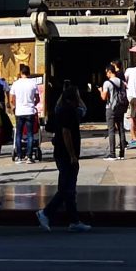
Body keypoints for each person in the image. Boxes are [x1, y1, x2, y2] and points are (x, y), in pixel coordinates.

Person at [36, 79, 91, 232]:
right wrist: (72, 155)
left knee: (69, 189)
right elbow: (66, 133)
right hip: (66, 153)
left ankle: (74, 220)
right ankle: (45, 212)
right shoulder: (68, 111)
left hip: (61, 151)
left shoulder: (59, 108)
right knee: (67, 188)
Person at [9, 65, 41, 162]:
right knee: (30, 134)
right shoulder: (33, 83)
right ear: (29, 73)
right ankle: (29, 156)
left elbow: (11, 99)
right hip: (30, 111)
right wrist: (33, 103)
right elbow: (38, 98)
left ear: (21, 73)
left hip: (19, 111)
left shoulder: (15, 84)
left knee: (18, 133)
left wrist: (15, 106)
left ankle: (19, 156)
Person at [100, 62, 128, 159]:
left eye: (106, 72)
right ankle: (122, 153)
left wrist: (100, 91)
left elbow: (104, 97)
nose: (106, 74)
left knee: (111, 131)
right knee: (121, 129)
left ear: (109, 71)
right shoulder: (121, 82)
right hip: (120, 107)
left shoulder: (107, 83)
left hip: (111, 108)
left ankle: (112, 154)